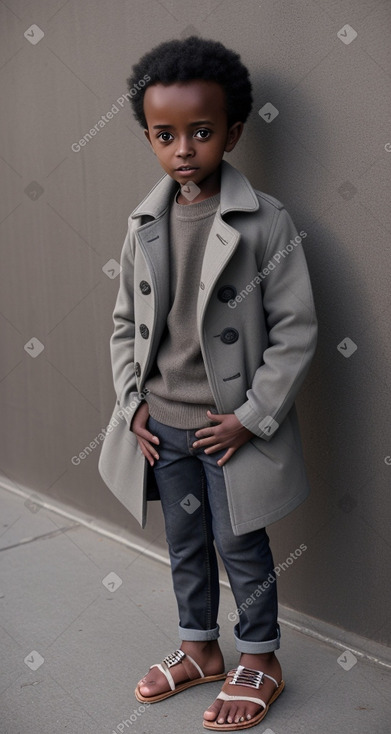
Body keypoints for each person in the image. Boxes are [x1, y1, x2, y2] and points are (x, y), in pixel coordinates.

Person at [99, 35, 317, 730]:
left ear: (233, 132)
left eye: (200, 131)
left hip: (226, 428)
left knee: (240, 542)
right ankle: (199, 647)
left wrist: (252, 416)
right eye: (164, 135)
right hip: (162, 425)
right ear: (147, 138)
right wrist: (131, 402)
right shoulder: (144, 223)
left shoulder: (264, 222)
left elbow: (295, 332)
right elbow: (125, 321)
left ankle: (261, 657)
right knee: (185, 545)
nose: (183, 149)